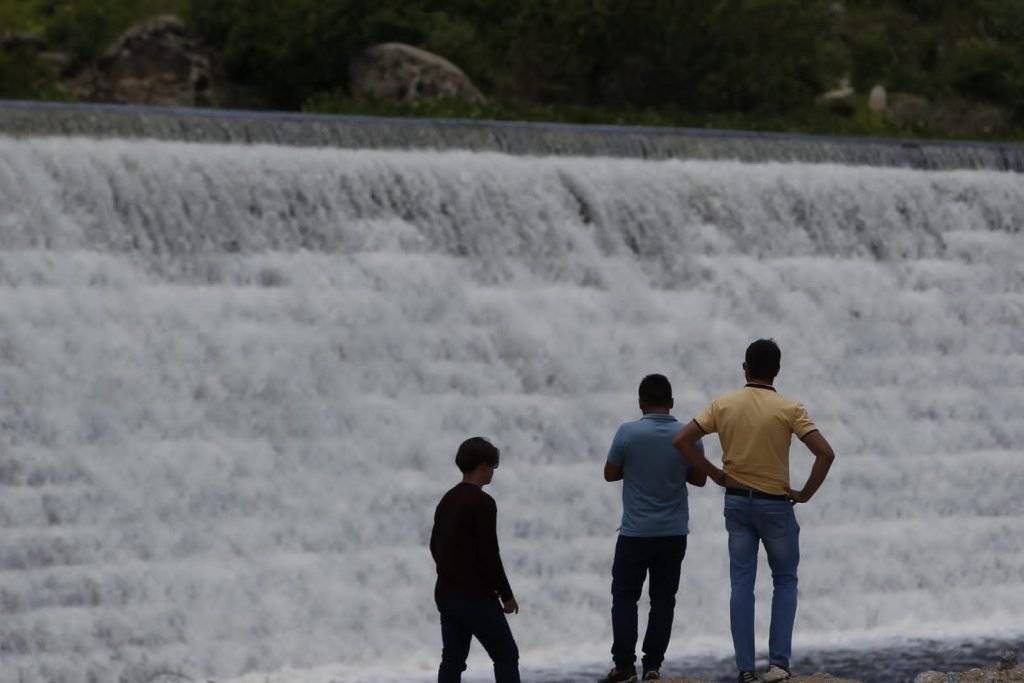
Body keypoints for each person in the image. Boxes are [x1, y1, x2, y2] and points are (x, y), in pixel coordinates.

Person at [672, 339, 836, 683]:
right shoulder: (790, 408)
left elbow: (681, 440)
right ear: (777, 371)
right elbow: (825, 453)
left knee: (742, 584)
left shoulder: (723, 404)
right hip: (775, 505)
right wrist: (805, 493)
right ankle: (778, 665)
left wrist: (714, 473)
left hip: (736, 502)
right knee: (785, 580)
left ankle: (745, 669)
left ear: (745, 368)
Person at [600, 374, 708, 683]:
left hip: (635, 532)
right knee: (663, 600)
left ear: (640, 403)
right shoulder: (689, 435)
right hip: (673, 532)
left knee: (625, 597)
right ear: (671, 402)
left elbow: (610, 474)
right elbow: (699, 478)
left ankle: (624, 667)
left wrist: (637, 467)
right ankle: (653, 667)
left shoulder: (628, 433)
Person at [430, 437, 521, 683]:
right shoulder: (483, 503)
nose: (493, 472)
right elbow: (489, 554)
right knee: (506, 655)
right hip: (475, 596)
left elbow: (434, 545)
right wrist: (506, 595)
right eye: (493, 466)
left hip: (446, 592)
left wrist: (449, 571)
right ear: (483, 466)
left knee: (452, 659)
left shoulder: (447, 499)